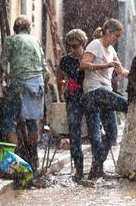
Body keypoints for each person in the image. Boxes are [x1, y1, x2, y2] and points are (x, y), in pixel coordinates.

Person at [80, 18, 129, 179]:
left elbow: (121, 72)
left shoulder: (112, 51)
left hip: (105, 92)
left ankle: (96, 168)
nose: (117, 39)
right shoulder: (95, 45)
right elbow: (84, 64)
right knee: (126, 105)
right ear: (108, 32)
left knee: (112, 134)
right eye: (116, 36)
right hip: (94, 92)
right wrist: (104, 66)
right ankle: (134, 108)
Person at [0, 15, 49, 172]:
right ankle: (33, 157)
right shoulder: (36, 41)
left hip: (19, 82)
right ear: (29, 28)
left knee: (8, 119)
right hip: (37, 83)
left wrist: (6, 76)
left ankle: (14, 160)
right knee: (31, 119)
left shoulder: (11, 40)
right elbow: (44, 68)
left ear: (15, 28)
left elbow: (2, 63)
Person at [58, 29, 88, 183]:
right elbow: (60, 78)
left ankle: (97, 168)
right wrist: (64, 86)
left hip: (88, 98)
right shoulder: (65, 60)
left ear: (82, 44)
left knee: (94, 133)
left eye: (76, 46)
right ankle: (79, 171)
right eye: (70, 47)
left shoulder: (88, 58)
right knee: (74, 135)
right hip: (73, 99)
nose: (73, 50)